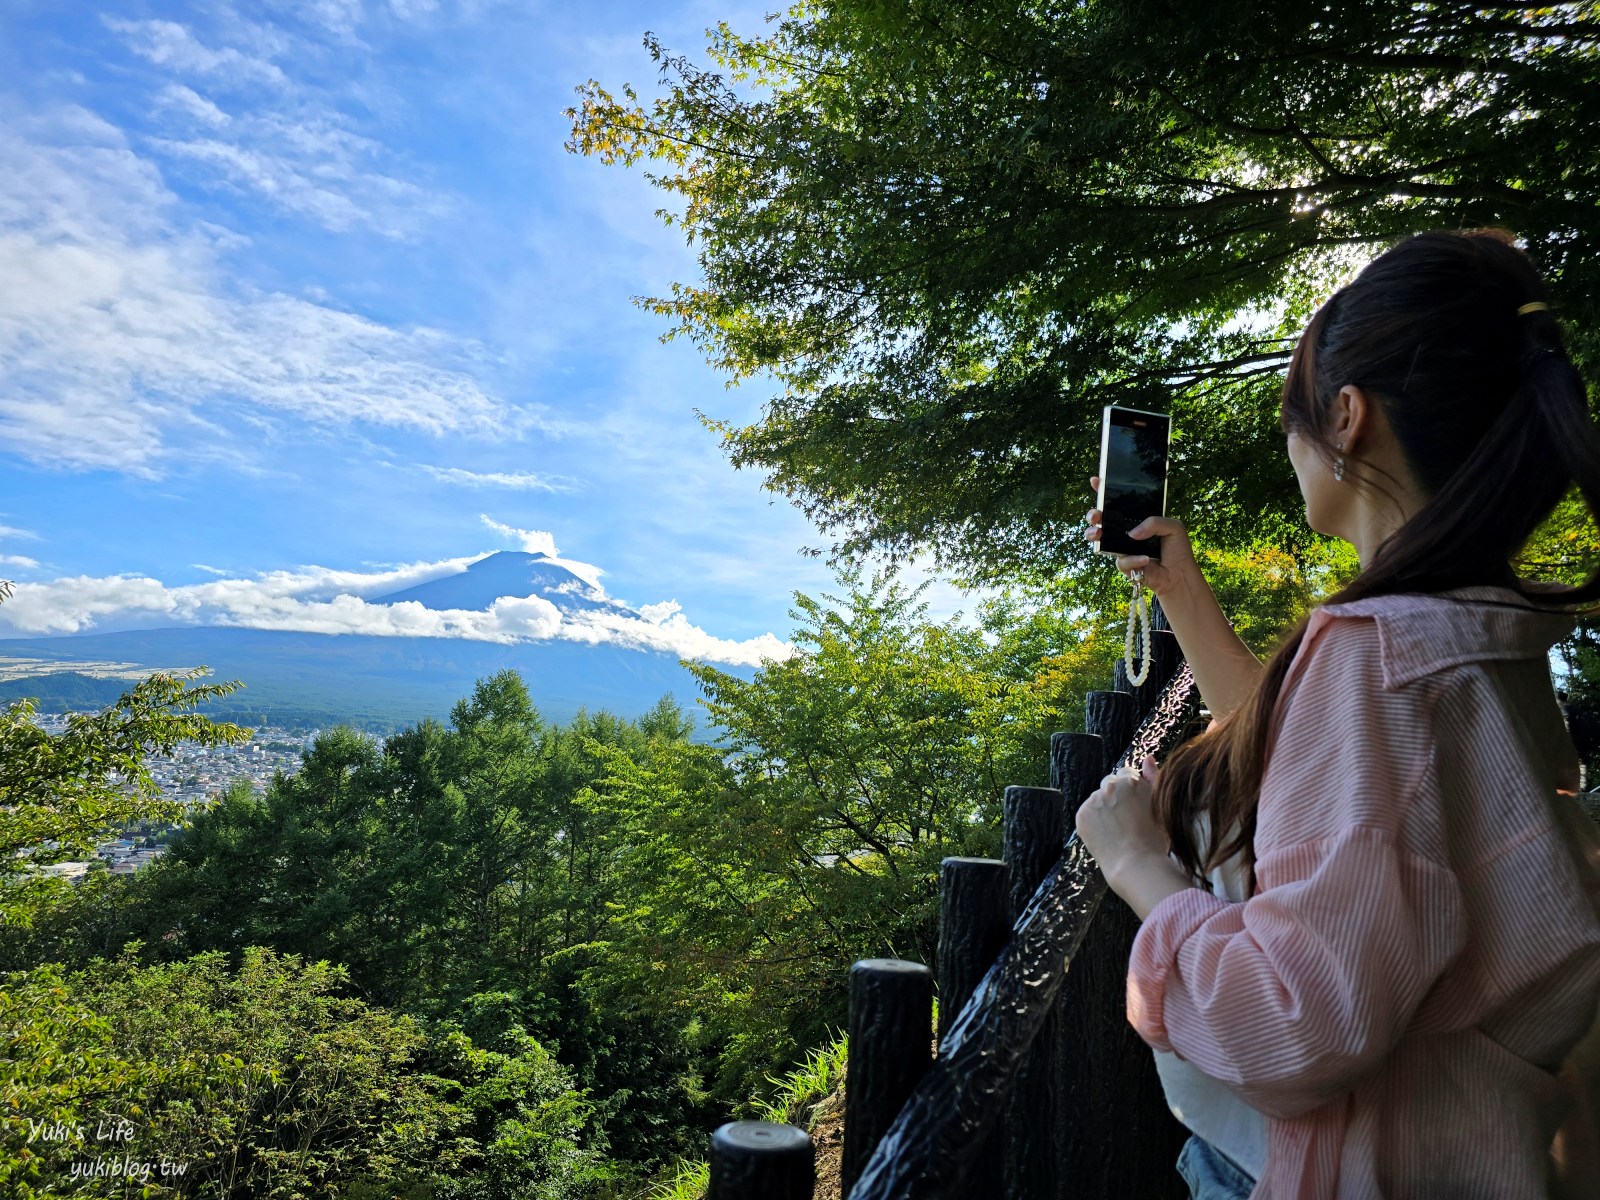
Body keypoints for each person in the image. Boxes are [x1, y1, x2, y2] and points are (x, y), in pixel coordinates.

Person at [1075, 228, 1600, 1199]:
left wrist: (1133, 861)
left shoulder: (1376, 656)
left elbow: (1292, 1023)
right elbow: (1336, 785)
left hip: (1339, 1164)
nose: (1291, 446)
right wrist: (1176, 585)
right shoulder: (1485, 638)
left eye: (1296, 418)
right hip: (1480, 1151)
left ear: (1348, 417)